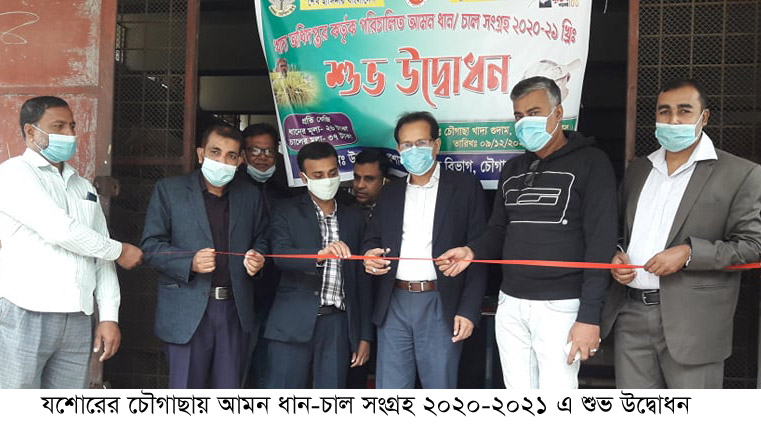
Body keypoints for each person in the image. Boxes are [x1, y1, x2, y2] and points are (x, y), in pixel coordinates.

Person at [437, 76, 618, 389]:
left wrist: (589, 316)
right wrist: (472, 251)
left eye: (534, 113)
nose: (524, 123)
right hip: (511, 303)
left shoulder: (592, 163)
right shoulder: (513, 169)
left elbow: (600, 244)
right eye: (519, 116)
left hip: (561, 306)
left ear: (558, 113)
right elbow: (498, 230)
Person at [601, 79, 761, 389]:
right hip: (630, 313)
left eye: (684, 111)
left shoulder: (740, 174)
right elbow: (619, 230)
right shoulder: (639, 170)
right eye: (665, 111)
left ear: (704, 117)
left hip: (695, 324)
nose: (673, 120)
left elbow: (752, 245)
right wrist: (617, 254)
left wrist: (689, 253)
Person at [0, 96, 143, 388]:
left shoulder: (82, 186)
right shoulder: (14, 173)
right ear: (31, 132)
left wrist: (109, 316)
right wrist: (119, 250)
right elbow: (60, 230)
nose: (69, 134)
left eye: (72, 126)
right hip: (26, 311)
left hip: (78, 316)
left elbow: (100, 253)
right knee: (17, 403)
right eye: (58, 126)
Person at [363, 111, 487, 389]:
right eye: (407, 145)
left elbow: (478, 251)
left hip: (440, 301)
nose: (414, 150)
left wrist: (469, 310)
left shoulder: (464, 187)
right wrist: (370, 255)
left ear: (436, 145)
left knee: (439, 388)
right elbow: (372, 238)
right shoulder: (391, 193)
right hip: (393, 300)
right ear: (399, 149)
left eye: (421, 143)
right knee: (390, 390)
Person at [141, 124, 268, 389]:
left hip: (234, 311)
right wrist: (189, 262)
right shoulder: (170, 191)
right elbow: (151, 247)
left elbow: (263, 238)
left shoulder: (250, 196)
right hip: (186, 310)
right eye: (215, 152)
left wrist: (258, 257)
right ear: (201, 154)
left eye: (231, 156)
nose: (222, 161)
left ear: (240, 161)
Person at [264, 141, 372, 388]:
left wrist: (364, 335)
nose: (327, 180)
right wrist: (319, 255)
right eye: (318, 175)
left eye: (332, 173)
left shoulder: (354, 217)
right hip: (291, 322)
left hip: (338, 325)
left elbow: (362, 281)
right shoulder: (286, 210)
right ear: (304, 178)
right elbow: (280, 255)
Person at [238, 122, 299, 388]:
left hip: (281, 282)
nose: (262, 157)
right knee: (239, 352)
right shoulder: (233, 186)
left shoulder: (289, 185)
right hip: (242, 281)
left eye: (268, 151)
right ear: (243, 154)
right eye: (255, 151)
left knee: (272, 353)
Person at [350, 148, 389, 224]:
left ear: (385, 181)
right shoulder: (345, 213)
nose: (360, 185)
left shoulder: (395, 213)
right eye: (357, 177)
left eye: (369, 179)